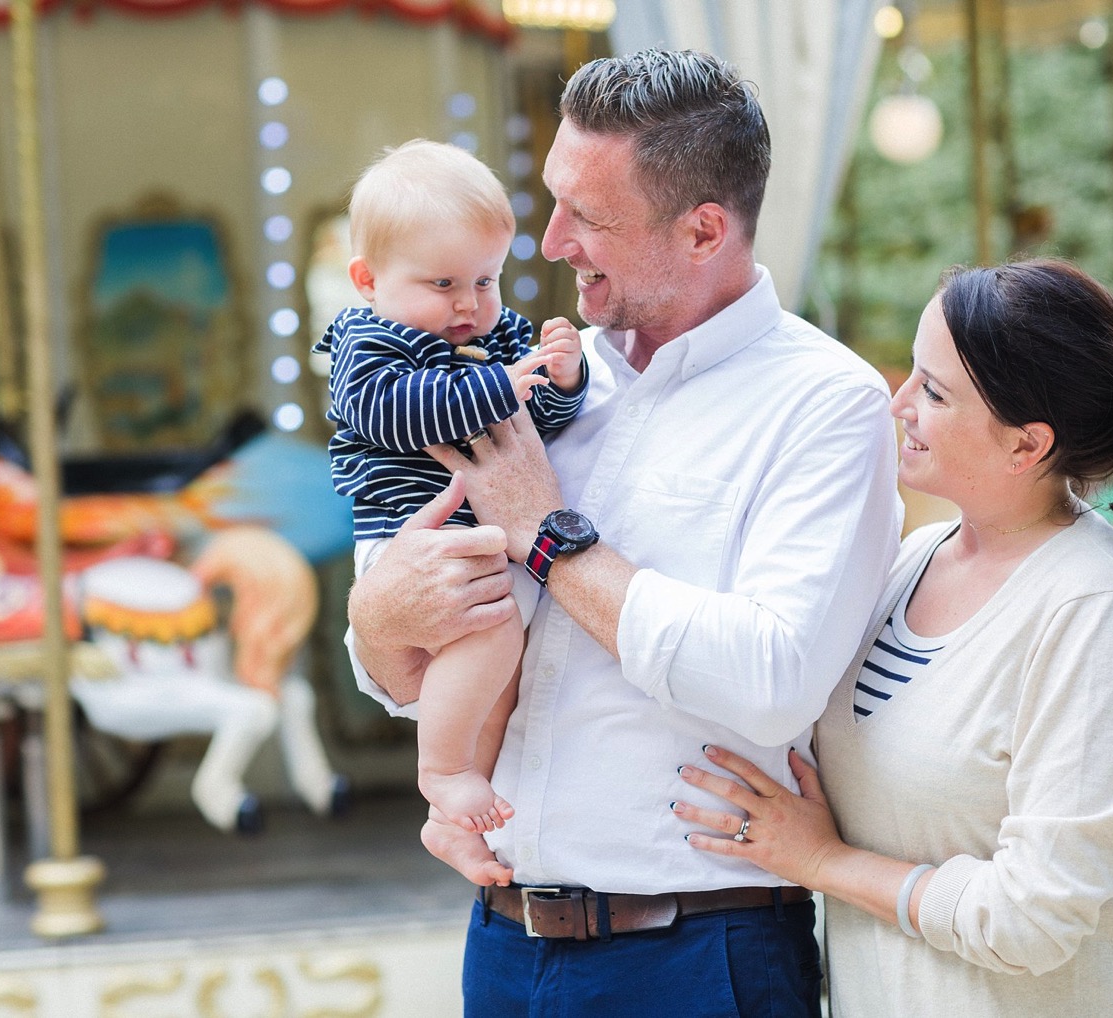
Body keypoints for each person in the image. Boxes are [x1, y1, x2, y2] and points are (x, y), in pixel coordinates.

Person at [346, 50, 901, 1016]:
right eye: (552, 203)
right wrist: (377, 619)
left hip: (696, 951)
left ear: (703, 230)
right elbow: (405, 671)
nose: (552, 243)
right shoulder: (534, 381)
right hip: (503, 940)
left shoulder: (825, 403)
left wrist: (545, 535)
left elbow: (772, 683)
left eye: (588, 217)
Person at [674, 259, 1113, 1017]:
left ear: (1026, 445)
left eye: (932, 392)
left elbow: (1033, 918)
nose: (898, 402)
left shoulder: (1092, 603)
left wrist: (824, 861)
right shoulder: (907, 563)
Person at [312, 139, 587, 836]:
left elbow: (533, 424)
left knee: (501, 674)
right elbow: (393, 410)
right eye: (442, 285)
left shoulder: (496, 341)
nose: (469, 304)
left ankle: (462, 809)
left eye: (486, 281)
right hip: (409, 539)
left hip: (473, 544)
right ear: (368, 281)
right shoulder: (368, 343)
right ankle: (440, 771)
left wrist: (561, 382)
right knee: (490, 643)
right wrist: (501, 385)